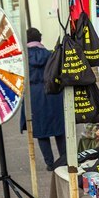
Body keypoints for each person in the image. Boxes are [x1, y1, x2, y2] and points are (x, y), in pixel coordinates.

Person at [19, 27, 65, 171]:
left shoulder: (23, 57)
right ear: (40, 39)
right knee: (59, 129)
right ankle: (64, 160)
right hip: (53, 93)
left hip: (34, 95)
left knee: (41, 131)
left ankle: (50, 163)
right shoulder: (51, 54)